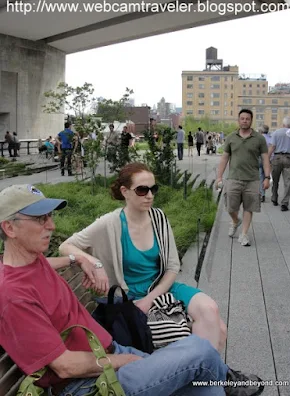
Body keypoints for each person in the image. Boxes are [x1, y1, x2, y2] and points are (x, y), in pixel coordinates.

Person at [0, 184, 265, 396]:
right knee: (199, 351)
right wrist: (124, 360)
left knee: (208, 389)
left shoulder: (31, 261)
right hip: (90, 384)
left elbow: (46, 262)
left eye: (50, 216)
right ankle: (229, 379)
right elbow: (65, 367)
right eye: (39, 219)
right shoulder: (13, 296)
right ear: (9, 227)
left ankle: (223, 383)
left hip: (111, 353)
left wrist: (79, 258)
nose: (52, 226)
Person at [60, 162, 227, 352]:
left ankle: (207, 374)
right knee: (217, 331)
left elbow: (172, 266)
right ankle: (207, 375)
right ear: (125, 191)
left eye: (153, 189)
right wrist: (94, 262)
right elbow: (65, 246)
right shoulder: (110, 223)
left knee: (211, 311)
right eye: (142, 190)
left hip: (163, 288)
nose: (150, 196)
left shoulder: (159, 218)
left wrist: (151, 299)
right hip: (132, 298)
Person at [215, 109, 271, 247]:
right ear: (238, 120)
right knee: (230, 207)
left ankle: (244, 234)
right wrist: (219, 177)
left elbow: (265, 158)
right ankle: (235, 221)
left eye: (247, 118)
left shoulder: (259, 138)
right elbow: (224, 158)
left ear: (251, 121)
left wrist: (267, 177)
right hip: (234, 178)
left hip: (252, 179)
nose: (245, 121)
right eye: (242, 118)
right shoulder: (231, 137)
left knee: (249, 207)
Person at [268, 117, 290, 211]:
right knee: (288, 182)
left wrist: (267, 158)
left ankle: (274, 198)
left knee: (275, 179)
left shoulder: (276, 133)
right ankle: (284, 203)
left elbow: (272, 147)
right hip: (289, 159)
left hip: (277, 158)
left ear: (283, 124)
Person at [259, 125, 273, 202]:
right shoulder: (271, 138)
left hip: (260, 159)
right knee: (266, 176)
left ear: (261, 131)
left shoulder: (260, 138)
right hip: (269, 159)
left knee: (260, 176)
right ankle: (263, 193)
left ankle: (262, 194)